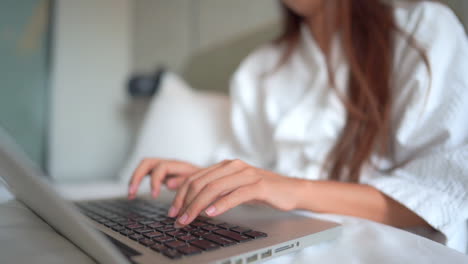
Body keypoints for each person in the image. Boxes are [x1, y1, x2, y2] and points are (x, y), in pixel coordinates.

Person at [128, 0, 468, 251]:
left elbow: (441, 196)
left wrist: (293, 189)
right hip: (279, 234)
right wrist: (208, 179)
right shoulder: (261, 68)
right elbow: (253, 168)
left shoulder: (423, 31)